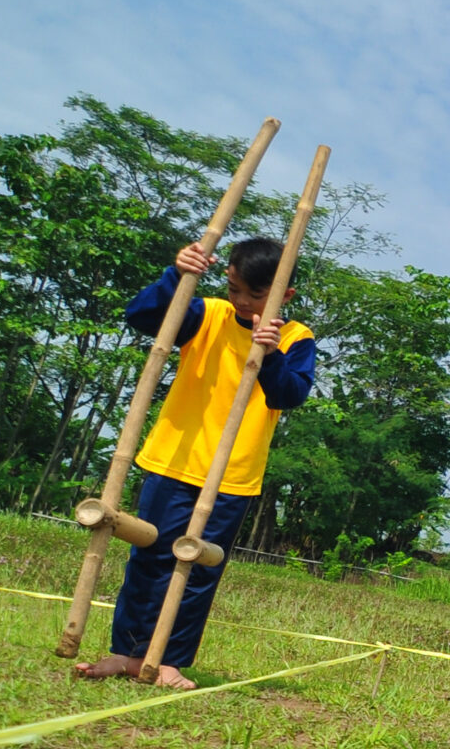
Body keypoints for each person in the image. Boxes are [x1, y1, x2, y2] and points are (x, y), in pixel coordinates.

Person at [75, 238, 316, 690]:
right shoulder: (206, 312)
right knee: (148, 558)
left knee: (198, 570)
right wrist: (177, 276)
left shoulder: (295, 337)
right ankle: (127, 654)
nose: (242, 302)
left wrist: (270, 353)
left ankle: (169, 661)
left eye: (255, 295)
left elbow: (289, 394)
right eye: (235, 288)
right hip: (174, 457)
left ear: (284, 295)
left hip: (233, 473)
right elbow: (143, 318)